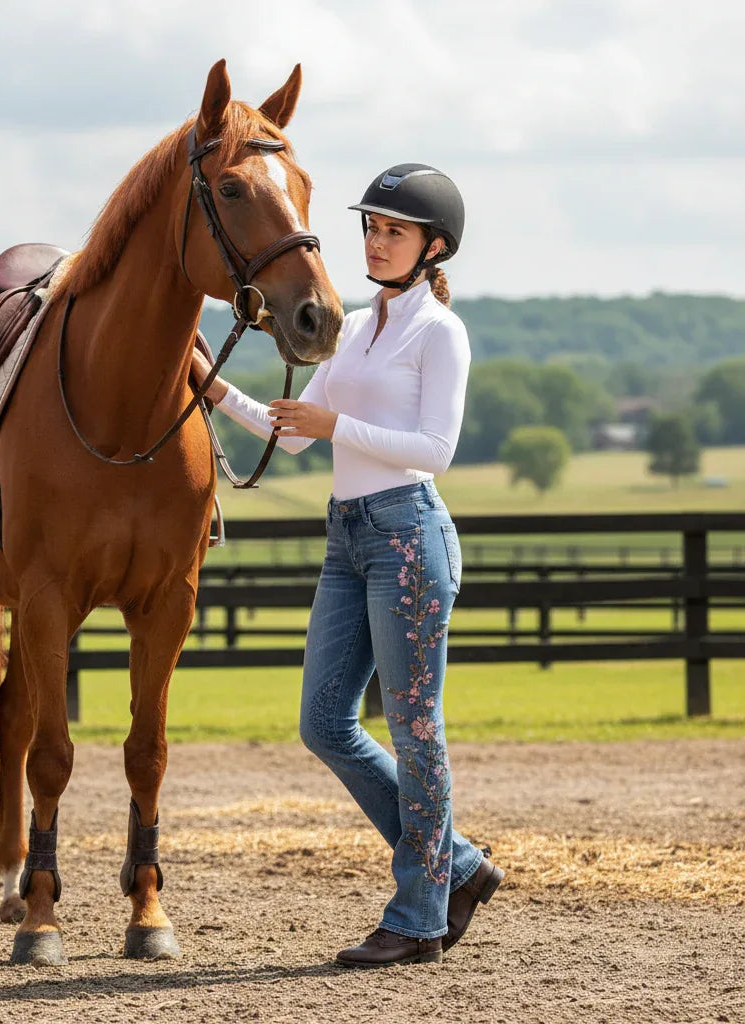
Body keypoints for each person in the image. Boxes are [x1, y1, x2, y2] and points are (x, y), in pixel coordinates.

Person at [191, 164, 503, 967]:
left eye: (394, 230)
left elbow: (435, 450)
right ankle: (457, 864)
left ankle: (419, 916)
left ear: (434, 247)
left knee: (414, 729)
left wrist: (337, 425)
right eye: (371, 226)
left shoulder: (440, 332)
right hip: (348, 537)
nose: (377, 239)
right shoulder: (359, 325)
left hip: (407, 535)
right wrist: (212, 386)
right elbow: (293, 432)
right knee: (324, 722)